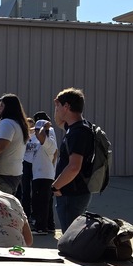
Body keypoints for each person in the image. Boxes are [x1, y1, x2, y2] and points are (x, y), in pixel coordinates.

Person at [50, 87, 96, 233]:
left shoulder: (77, 133)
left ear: (67, 106)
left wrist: (55, 186)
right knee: (73, 235)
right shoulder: (78, 127)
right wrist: (58, 106)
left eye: (58, 106)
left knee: (71, 237)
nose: (56, 109)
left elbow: (74, 167)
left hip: (71, 194)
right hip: (74, 192)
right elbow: (58, 122)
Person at [0, 93, 29, 195]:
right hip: (11, 172)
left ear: (9, 107)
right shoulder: (16, 123)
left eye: (1, 105)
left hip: (3, 173)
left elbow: (2, 145)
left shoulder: (7, 123)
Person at [30, 111, 58, 236]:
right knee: (46, 201)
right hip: (39, 175)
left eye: (36, 130)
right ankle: (50, 225)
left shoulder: (48, 142)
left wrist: (44, 127)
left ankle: (41, 228)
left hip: (44, 176)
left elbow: (41, 135)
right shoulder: (41, 142)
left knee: (40, 202)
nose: (35, 132)